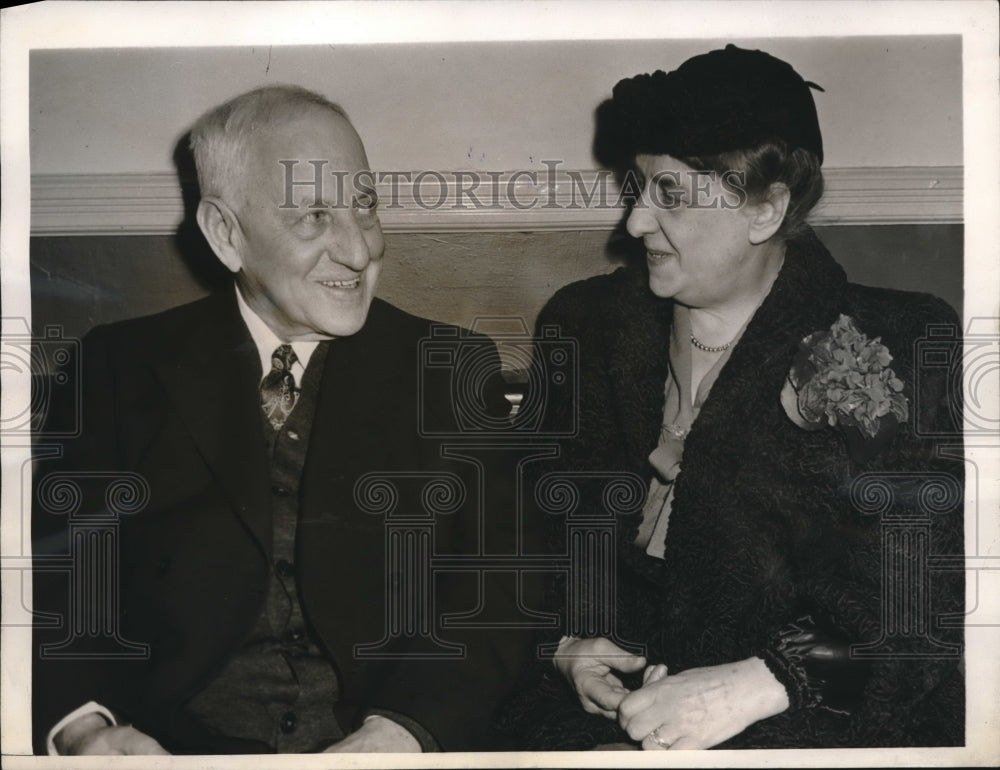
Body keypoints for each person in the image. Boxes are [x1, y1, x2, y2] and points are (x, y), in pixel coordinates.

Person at [32, 84, 527, 755]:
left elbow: (499, 596)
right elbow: (59, 587)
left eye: (365, 208)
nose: (358, 250)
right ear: (226, 233)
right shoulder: (117, 370)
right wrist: (88, 730)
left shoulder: (452, 369)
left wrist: (407, 731)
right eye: (313, 218)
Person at [498, 45, 964, 749]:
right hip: (594, 720)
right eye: (637, 187)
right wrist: (563, 643)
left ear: (766, 209)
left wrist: (757, 684)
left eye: (671, 194)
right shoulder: (587, 326)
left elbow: (920, 596)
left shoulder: (892, 343)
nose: (635, 223)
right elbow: (519, 529)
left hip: (796, 722)